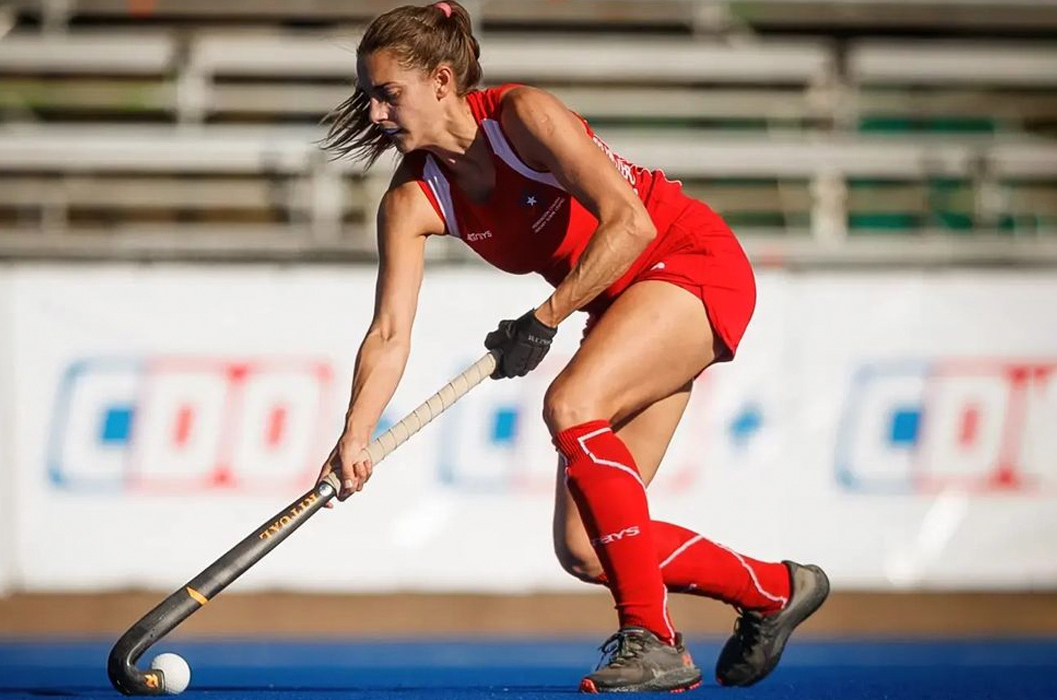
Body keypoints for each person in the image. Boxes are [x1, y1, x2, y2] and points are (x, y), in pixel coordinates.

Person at [315, 2, 829, 693]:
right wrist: (353, 433)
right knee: (587, 550)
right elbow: (389, 332)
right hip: (619, 302)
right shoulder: (412, 199)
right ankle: (774, 590)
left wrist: (546, 317)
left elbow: (632, 224)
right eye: (368, 97)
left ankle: (651, 639)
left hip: (687, 261)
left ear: (442, 81)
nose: (375, 115)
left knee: (570, 403)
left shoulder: (523, 118)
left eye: (387, 94)